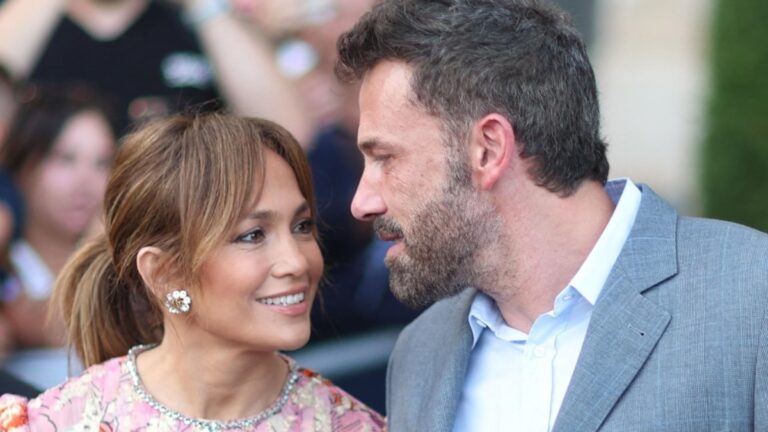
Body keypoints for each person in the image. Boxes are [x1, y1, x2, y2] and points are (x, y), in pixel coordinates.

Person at [335, 0, 768, 431]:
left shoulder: (750, 299)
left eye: (385, 158)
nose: (362, 202)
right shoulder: (420, 351)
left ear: (488, 149)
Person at [0, 112, 386, 430]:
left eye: (302, 226)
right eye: (253, 235)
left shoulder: (348, 424)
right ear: (164, 272)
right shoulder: (63, 421)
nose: (298, 261)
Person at [0, 0, 310, 143]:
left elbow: (289, 131)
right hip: (39, 253)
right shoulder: (30, 25)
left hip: (176, 233)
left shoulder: (199, 23)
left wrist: (203, 6)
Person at [0, 83, 116, 389]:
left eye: (101, 163)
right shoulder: (8, 259)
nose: (86, 182)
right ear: (23, 165)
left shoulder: (126, 264)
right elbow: (57, 328)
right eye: (65, 159)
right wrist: (98, 247)